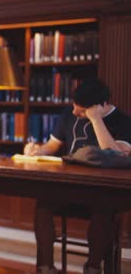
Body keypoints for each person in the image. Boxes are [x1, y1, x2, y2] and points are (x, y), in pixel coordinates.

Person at [24, 78, 131, 274]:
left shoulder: (123, 121)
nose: (75, 113)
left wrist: (95, 119)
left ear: (102, 105)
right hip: (69, 185)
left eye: (81, 111)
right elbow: (52, 146)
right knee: (43, 203)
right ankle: (45, 267)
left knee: (103, 208)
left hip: (102, 190)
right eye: (74, 107)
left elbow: (118, 155)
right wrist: (37, 151)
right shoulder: (68, 114)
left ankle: (92, 268)